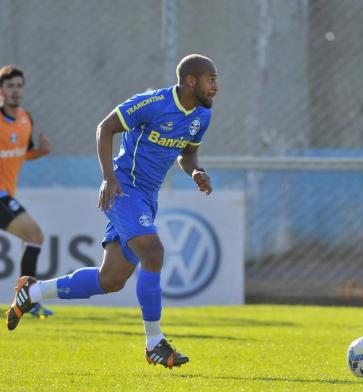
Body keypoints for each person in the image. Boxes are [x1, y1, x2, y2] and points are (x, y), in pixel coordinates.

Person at [6, 54, 219, 369]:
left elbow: (187, 156)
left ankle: (32, 292)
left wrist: (196, 173)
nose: (216, 87)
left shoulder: (202, 115)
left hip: (147, 198)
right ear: (190, 80)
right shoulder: (152, 103)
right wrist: (108, 177)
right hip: (123, 189)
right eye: (211, 80)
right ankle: (154, 343)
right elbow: (105, 128)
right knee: (153, 252)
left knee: (111, 279)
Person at [0, 65, 52, 318]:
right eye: (10, 86)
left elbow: (19, 155)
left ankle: (25, 301)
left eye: (19, 86)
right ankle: (26, 300)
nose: (15, 91)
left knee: (34, 237)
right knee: (35, 234)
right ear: (1, 90)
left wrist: (39, 153)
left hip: (6, 194)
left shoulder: (24, 119)